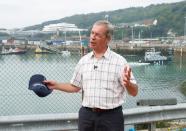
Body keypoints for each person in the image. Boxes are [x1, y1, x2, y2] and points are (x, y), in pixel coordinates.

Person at [44, 20, 138, 131]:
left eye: (97, 35)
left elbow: (134, 92)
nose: (92, 37)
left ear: (108, 39)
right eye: (92, 33)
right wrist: (55, 85)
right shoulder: (84, 61)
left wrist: (128, 84)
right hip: (87, 116)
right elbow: (75, 87)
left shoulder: (120, 62)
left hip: (111, 117)